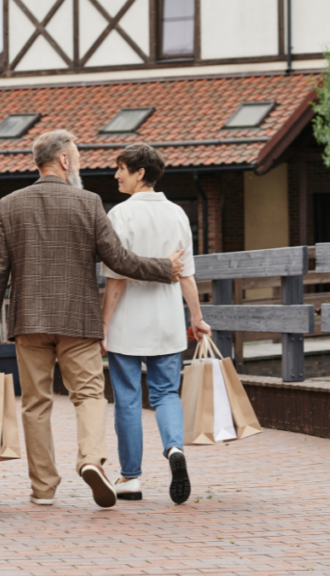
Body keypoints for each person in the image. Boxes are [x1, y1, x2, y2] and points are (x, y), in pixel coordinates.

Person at [0, 130, 186, 509]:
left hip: (30, 322)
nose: (81, 166)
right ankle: (90, 460)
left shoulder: (10, 205)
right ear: (65, 161)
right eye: (79, 159)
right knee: (88, 395)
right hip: (78, 321)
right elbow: (118, 260)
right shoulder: (88, 203)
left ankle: (43, 489)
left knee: (35, 403)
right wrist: (164, 268)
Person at [100, 143, 212, 505]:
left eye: (120, 169)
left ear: (139, 173)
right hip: (167, 323)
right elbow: (187, 276)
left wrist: (103, 325)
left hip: (126, 326)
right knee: (166, 393)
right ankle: (175, 449)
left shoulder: (120, 214)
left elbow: (116, 278)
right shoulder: (178, 213)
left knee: (128, 400)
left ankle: (130, 478)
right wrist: (196, 318)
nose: (116, 175)